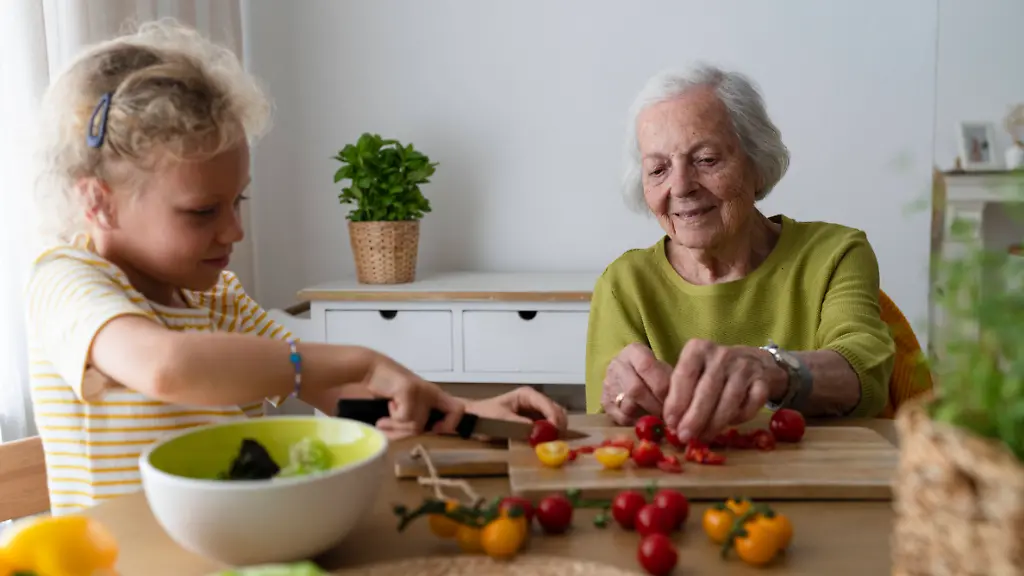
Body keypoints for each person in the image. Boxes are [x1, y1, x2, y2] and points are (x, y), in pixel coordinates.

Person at [25, 20, 566, 515]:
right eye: (202, 212)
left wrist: (462, 413)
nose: (234, 230)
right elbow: (168, 367)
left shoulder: (218, 298)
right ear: (99, 202)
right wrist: (358, 357)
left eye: (238, 202)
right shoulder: (67, 281)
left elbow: (344, 397)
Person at [586, 64, 895, 444]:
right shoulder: (624, 284)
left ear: (758, 165)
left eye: (706, 159)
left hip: (814, 484)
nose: (681, 186)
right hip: (680, 487)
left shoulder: (834, 254)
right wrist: (619, 396)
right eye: (658, 169)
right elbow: (606, 429)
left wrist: (772, 369)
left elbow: (866, 372)